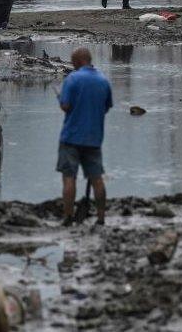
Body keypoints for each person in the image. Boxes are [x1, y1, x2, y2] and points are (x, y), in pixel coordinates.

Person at [57, 47, 113, 227]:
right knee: (97, 178)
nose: (73, 67)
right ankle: (101, 217)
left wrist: (60, 100)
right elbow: (106, 107)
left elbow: (65, 106)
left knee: (69, 177)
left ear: (79, 61)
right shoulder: (103, 81)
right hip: (94, 138)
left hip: (71, 137)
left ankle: (68, 217)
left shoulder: (72, 79)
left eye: (73, 63)